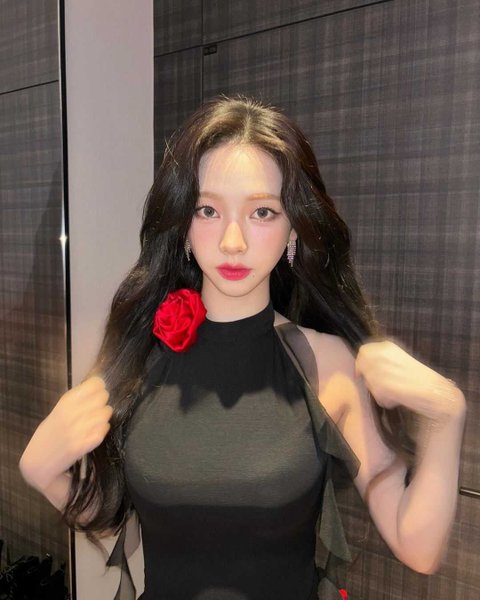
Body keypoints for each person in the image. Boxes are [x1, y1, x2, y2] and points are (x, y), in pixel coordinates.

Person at [19, 95, 466, 600]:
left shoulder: (327, 367)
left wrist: (446, 417)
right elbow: (114, 517)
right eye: (208, 210)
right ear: (183, 223)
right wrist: (43, 472)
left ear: (294, 226)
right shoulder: (140, 357)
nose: (233, 241)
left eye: (262, 212)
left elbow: (417, 546)